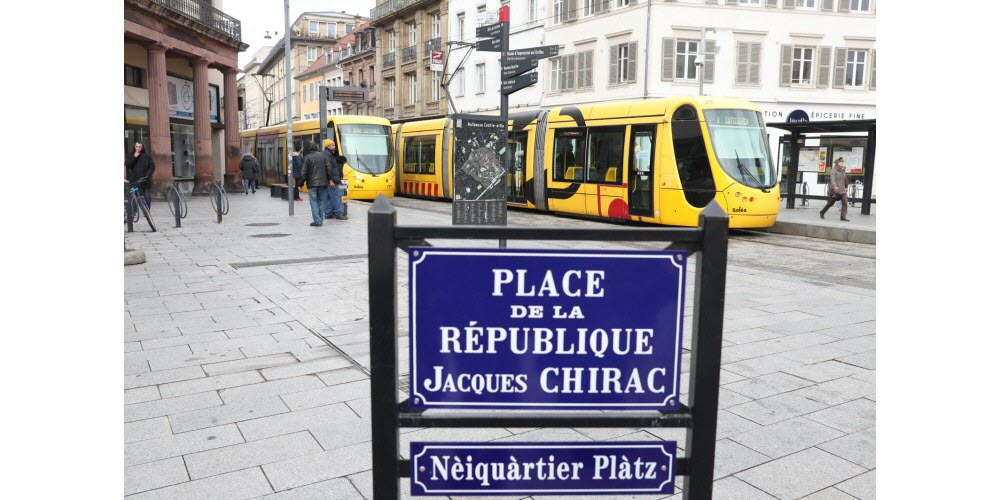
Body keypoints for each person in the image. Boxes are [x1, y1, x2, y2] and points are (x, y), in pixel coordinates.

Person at [301, 141, 335, 227]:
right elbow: (329, 169)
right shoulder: (323, 156)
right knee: (321, 201)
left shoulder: (307, 157)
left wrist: (301, 183)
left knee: (313, 201)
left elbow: (304, 172)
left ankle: (317, 221)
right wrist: (329, 179)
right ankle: (321, 219)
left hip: (312, 184)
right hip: (323, 183)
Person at [322, 138, 348, 220]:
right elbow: (328, 168)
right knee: (336, 197)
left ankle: (328, 213)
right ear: (328, 146)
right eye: (333, 145)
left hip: (327, 180)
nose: (334, 146)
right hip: (332, 180)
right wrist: (331, 180)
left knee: (327, 197)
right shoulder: (328, 155)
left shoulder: (326, 154)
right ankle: (339, 213)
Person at [124, 141, 154, 209]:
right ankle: (134, 212)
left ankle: (147, 211)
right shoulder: (131, 155)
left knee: (147, 197)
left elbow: (152, 167)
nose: (138, 148)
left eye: (140, 147)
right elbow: (128, 165)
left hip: (145, 180)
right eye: (137, 146)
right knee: (133, 197)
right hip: (134, 181)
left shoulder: (147, 156)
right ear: (134, 147)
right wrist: (134, 157)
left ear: (142, 147)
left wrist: (147, 176)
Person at [820, 157, 850, 221]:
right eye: (841, 163)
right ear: (837, 163)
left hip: (843, 190)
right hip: (835, 191)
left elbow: (845, 179)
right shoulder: (833, 171)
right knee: (830, 203)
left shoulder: (843, 170)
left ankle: (843, 217)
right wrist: (835, 188)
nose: (842, 164)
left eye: (843, 162)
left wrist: (846, 186)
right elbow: (832, 181)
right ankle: (822, 212)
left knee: (845, 202)